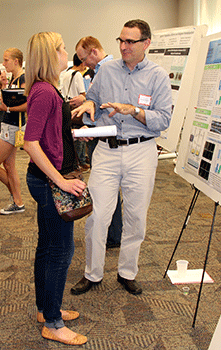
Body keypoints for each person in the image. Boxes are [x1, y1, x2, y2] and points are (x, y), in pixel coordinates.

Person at [70, 19, 172, 295]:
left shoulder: (158, 76)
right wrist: (89, 114)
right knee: (97, 216)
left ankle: (127, 272)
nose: (124, 46)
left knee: (135, 216)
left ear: (146, 44)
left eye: (130, 42)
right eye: (121, 40)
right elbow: (92, 99)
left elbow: (164, 119)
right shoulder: (106, 71)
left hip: (142, 151)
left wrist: (133, 110)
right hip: (107, 150)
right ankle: (92, 274)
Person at [23, 32, 88, 346]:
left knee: (47, 247)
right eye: (62, 48)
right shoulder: (46, 92)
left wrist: (71, 137)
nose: (67, 53)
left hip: (45, 177)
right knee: (60, 252)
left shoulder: (45, 89)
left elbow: (46, 135)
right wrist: (61, 181)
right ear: (51, 55)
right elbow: (30, 142)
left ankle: (45, 308)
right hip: (50, 181)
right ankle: (53, 322)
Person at [75, 36, 122, 248]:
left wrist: (92, 127)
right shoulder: (98, 71)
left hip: (105, 136)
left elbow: (109, 107)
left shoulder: (109, 70)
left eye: (84, 59)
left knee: (108, 188)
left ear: (94, 52)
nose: (84, 64)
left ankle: (113, 235)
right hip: (97, 134)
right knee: (104, 187)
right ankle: (111, 233)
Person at [0, 48, 26, 215]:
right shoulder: (14, 79)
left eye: (6, 60)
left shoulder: (23, 79)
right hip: (10, 126)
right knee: (9, 165)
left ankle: (17, 198)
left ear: (16, 61)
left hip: (13, 128)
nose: (3, 64)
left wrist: (8, 107)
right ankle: (17, 201)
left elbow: (28, 104)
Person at [61, 53, 89, 172]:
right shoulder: (77, 74)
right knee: (80, 135)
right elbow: (82, 94)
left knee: (71, 134)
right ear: (82, 62)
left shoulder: (66, 73)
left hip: (67, 106)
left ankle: (76, 161)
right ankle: (81, 162)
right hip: (77, 107)